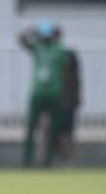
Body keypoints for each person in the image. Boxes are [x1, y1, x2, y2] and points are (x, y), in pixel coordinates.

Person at [19, 22, 70, 167]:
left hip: (54, 93)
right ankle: (27, 159)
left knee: (54, 128)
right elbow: (21, 40)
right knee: (31, 127)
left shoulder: (58, 48)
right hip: (38, 92)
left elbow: (65, 62)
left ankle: (49, 160)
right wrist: (32, 31)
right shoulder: (37, 47)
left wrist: (58, 35)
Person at [55, 29, 81, 166]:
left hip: (68, 102)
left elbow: (77, 79)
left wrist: (77, 96)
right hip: (54, 102)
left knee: (68, 132)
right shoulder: (50, 55)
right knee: (56, 134)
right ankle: (59, 159)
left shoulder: (69, 55)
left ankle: (69, 160)